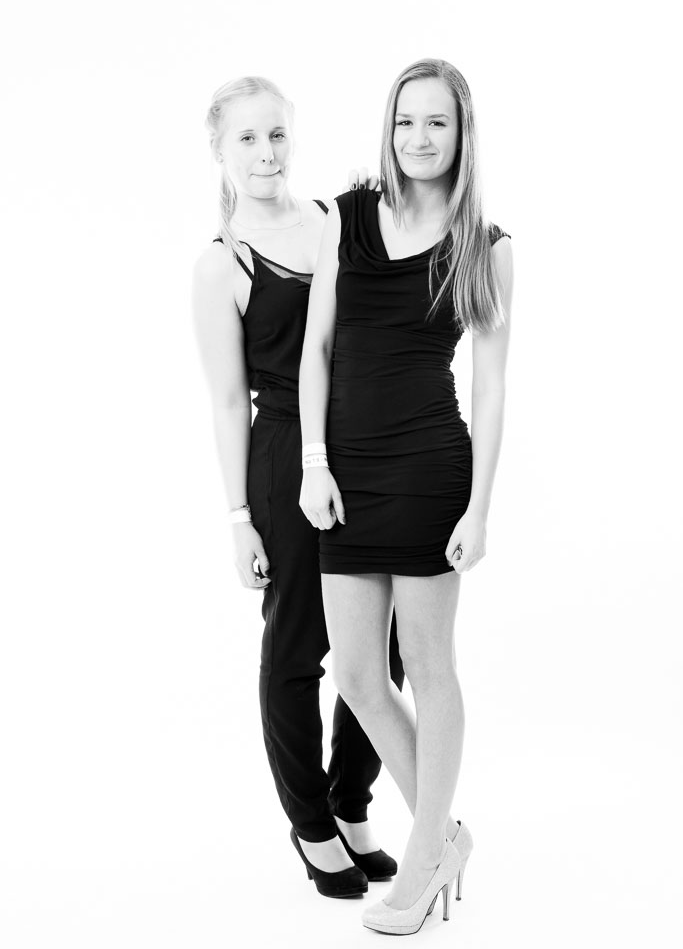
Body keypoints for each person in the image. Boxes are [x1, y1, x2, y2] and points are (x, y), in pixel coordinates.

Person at [299, 58, 513, 934]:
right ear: (387, 129)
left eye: (436, 123)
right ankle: (443, 837)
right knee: (355, 673)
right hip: (346, 474)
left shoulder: (484, 246)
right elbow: (316, 350)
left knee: (427, 666)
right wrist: (313, 462)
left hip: (431, 474)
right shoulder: (343, 218)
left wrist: (478, 509)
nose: (418, 138)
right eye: (405, 121)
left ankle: (423, 856)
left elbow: (491, 389)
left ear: (462, 135)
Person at [192, 76, 404, 899]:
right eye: (246, 138)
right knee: (296, 648)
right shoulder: (222, 265)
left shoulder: (330, 219)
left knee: (381, 647)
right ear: (219, 150)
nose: (266, 152)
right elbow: (225, 401)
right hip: (286, 457)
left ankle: (352, 803)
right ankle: (311, 823)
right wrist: (239, 517)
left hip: (368, 447)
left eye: (276, 134)